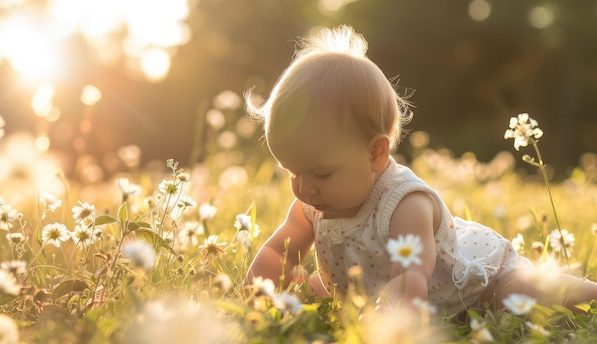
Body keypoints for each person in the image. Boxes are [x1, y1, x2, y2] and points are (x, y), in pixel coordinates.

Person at [244, 24, 597, 314]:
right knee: (313, 289)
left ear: (376, 153)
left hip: (474, 283)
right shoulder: (309, 206)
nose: (304, 188)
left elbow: (410, 277)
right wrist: (257, 290)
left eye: (320, 173)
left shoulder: (405, 205)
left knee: (520, 292)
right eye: (292, 172)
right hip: (367, 292)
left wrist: (389, 326)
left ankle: (590, 295)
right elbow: (279, 252)